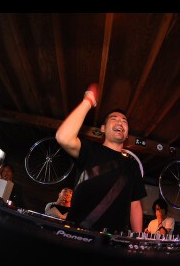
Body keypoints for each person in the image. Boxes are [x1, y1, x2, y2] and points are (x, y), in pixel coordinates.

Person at [55, 83, 146, 234]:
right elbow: (63, 137)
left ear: (127, 133)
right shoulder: (90, 150)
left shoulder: (132, 165)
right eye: (114, 119)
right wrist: (88, 100)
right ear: (103, 129)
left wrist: (137, 239)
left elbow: (135, 205)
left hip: (113, 241)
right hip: (78, 235)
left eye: (124, 121)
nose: (120, 122)